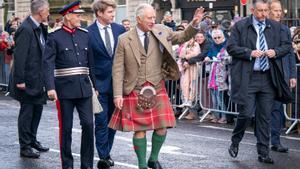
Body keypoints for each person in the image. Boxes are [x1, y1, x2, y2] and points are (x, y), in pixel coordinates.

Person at [109, 4, 204, 169]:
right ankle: (141, 165)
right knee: (139, 129)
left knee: (162, 126)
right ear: (139, 19)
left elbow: (181, 36)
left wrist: (194, 24)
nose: (153, 21)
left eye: (154, 17)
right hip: (135, 88)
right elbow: (117, 69)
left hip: (157, 86)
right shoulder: (124, 39)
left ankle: (153, 158)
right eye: (149, 18)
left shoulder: (162, 30)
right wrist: (117, 95)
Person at [227, 0, 291, 164]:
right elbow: (231, 48)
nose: (263, 14)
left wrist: (275, 52)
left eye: (265, 11)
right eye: (260, 11)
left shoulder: (275, 27)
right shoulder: (240, 26)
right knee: (246, 114)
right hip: (248, 77)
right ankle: (235, 140)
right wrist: (249, 52)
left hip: (268, 77)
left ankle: (263, 152)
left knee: (264, 117)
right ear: (253, 10)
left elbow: (287, 46)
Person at [43, 1, 95, 169]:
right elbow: (48, 64)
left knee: (88, 124)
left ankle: (86, 165)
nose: (80, 18)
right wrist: (50, 87)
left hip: (85, 89)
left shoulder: (85, 35)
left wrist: (96, 87)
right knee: (66, 128)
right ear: (67, 17)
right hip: (64, 90)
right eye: (77, 15)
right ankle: (67, 165)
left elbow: (91, 63)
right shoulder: (54, 37)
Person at [87, 0, 126, 168]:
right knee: (101, 121)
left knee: (113, 122)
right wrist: (91, 85)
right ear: (99, 13)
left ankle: (106, 152)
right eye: (109, 12)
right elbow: (87, 61)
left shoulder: (120, 29)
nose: (113, 14)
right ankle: (104, 156)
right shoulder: (88, 32)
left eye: (113, 11)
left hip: (118, 86)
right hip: (98, 86)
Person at [9, 0, 49, 159]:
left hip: (38, 79)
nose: (48, 13)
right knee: (27, 113)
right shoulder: (26, 29)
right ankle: (25, 146)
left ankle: (32, 140)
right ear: (41, 11)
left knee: (37, 110)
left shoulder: (38, 27)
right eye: (47, 10)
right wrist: (20, 80)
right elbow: (19, 57)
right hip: (27, 80)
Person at [268, 0, 296, 153]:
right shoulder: (263, 28)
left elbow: (290, 53)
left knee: (278, 109)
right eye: (276, 10)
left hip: (282, 75)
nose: (279, 13)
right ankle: (263, 140)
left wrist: (292, 74)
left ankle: (275, 141)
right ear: (269, 11)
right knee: (266, 109)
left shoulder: (285, 30)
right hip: (266, 74)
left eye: (280, 10)